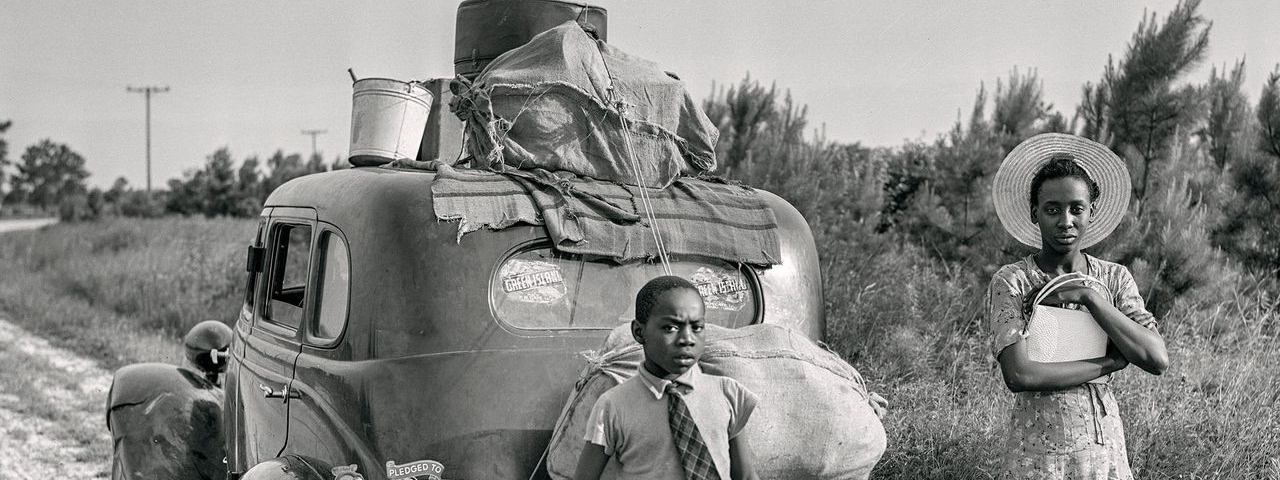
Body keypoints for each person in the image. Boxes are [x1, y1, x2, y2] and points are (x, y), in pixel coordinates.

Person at [988, 133, 1171, 479]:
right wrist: (1109, 363)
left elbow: (1156, 358)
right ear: (1034, 213)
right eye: (1052, 209)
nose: (1066, 221)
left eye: (1077, 209)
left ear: (1092, 211)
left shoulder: (1113, 279)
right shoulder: (1013, 281)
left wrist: (1089, 297)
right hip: (1035, 455)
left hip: (1103, 449)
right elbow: (1020, 374)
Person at [574, 275, 760, 480]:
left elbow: (746, 475)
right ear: (639, 331)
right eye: (670, 327)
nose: (687, 339)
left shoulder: (727, 394)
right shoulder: (613, 405)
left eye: (697, 327)